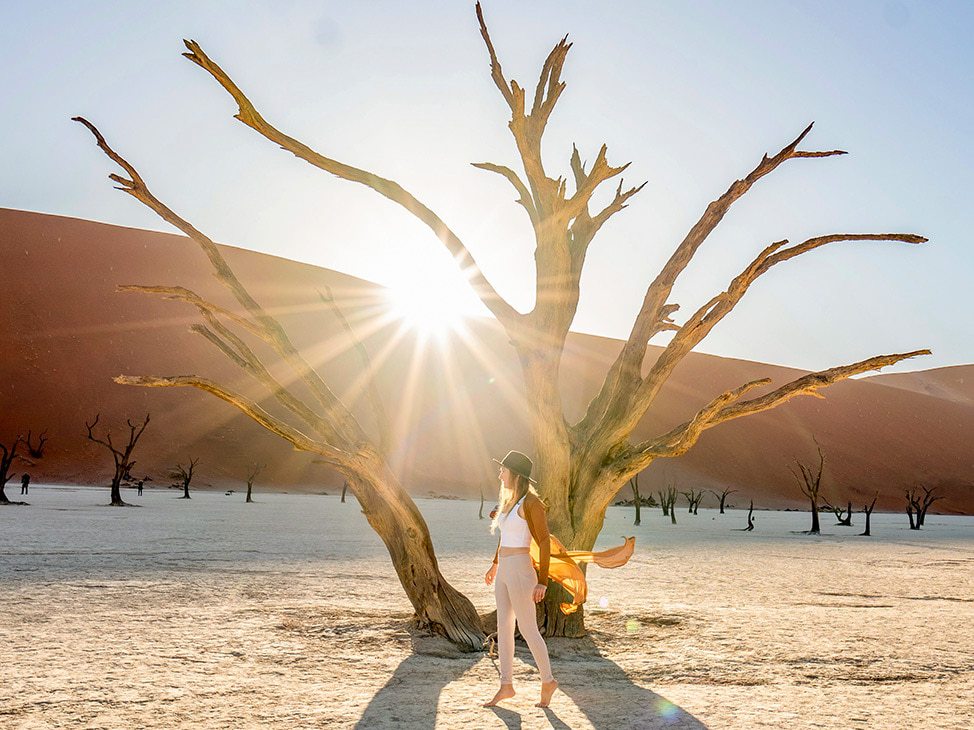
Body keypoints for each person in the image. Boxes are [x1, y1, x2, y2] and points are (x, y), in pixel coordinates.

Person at [483, 450, 558, 709]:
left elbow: (545, 540)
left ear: (515, 474)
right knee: (504, 628)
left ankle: (548, 681)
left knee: (528, 630)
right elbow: (505, 538)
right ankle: (506, 685)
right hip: (505, 568)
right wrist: (494, 565)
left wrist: (543, 581)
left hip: (522, 570)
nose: (500, 473)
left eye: (503, 469)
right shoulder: (509, 502)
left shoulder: (530, 503)